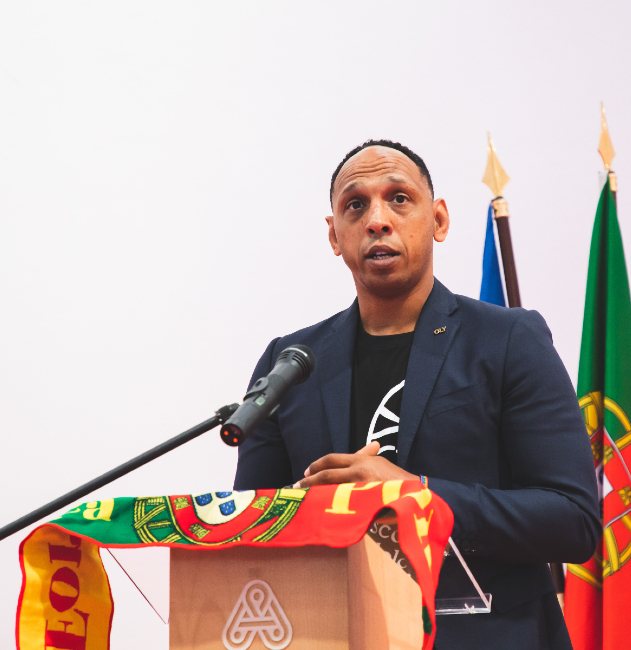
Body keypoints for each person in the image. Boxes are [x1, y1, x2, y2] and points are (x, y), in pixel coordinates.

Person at [233, 140, 600, 649]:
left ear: (439, 220)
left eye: (399, 198)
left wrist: (416, 494)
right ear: (335, 235)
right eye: (355, 205)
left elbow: (573, 520)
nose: (377, 219)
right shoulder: (291, 363)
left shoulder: (509, 341)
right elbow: (249, 530)